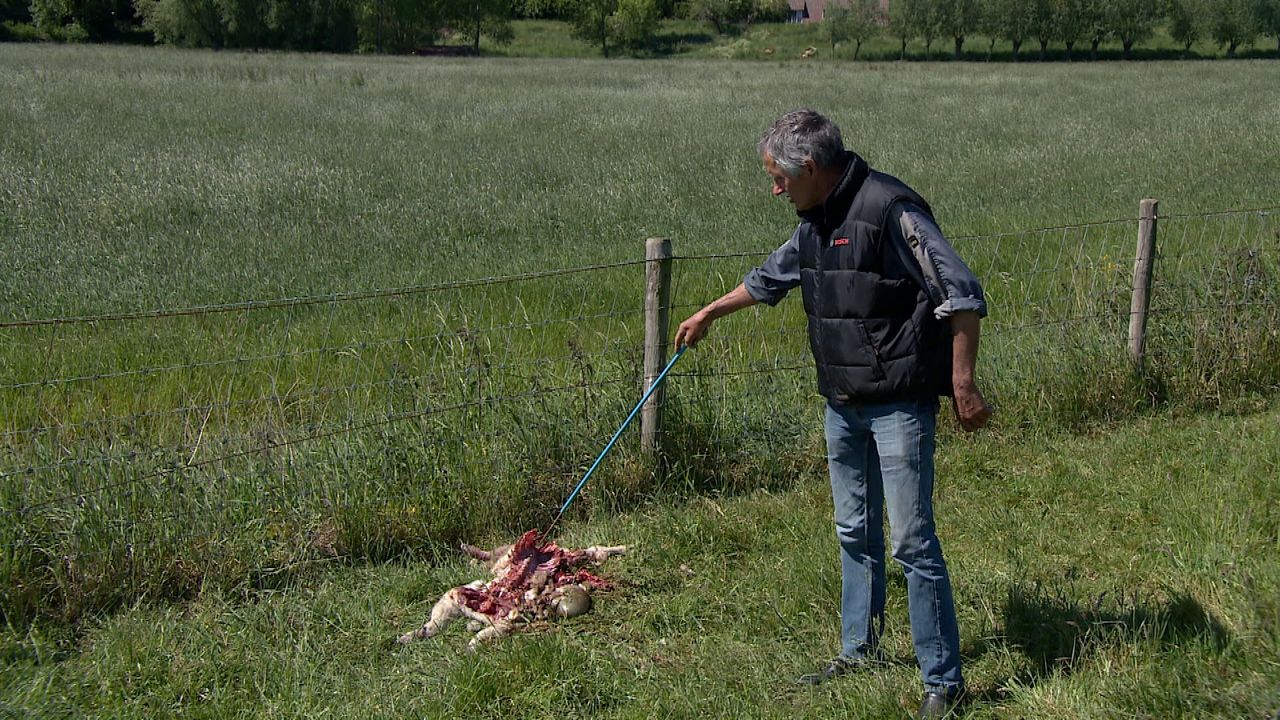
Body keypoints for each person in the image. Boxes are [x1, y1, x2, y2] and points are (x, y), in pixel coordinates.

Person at [674, 109, 992, 720]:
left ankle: (943, 683)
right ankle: (859, 650)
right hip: (841, 405)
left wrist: (963, 385)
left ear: (811, 169)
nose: (774, 190)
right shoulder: (814, 220)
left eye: (778, 178)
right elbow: (773, 276)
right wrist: (712, 311)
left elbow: (961, 293)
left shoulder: (890, 210)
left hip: (899, 405)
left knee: (911, 541)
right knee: (854, 531)